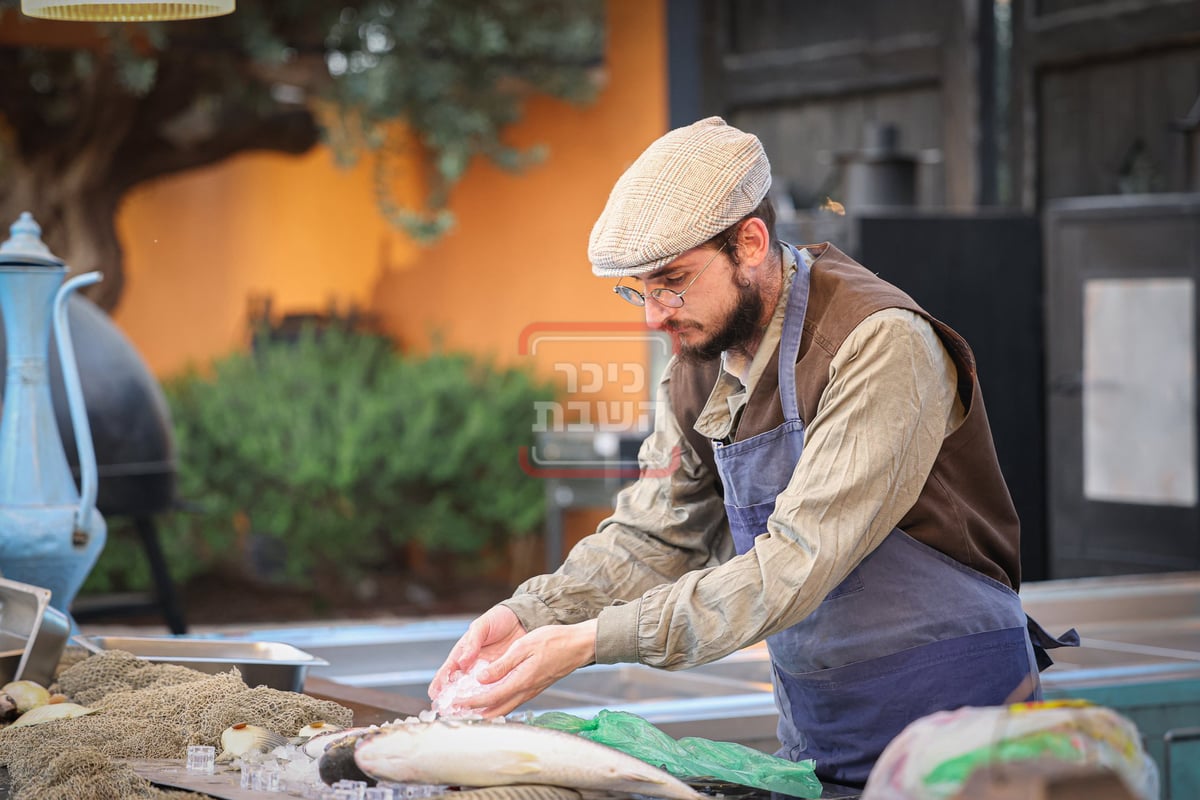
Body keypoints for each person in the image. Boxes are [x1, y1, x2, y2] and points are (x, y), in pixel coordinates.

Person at [428, 117, 1076, 787]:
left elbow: (795, 562)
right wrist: (529, 614)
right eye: (637, 290)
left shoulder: (879, 343)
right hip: (822, 731)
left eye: (671, 281)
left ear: (751, 243)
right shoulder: (698, 365)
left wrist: (589, 643)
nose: (652, 315)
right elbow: (653, 538)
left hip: (959, 731)